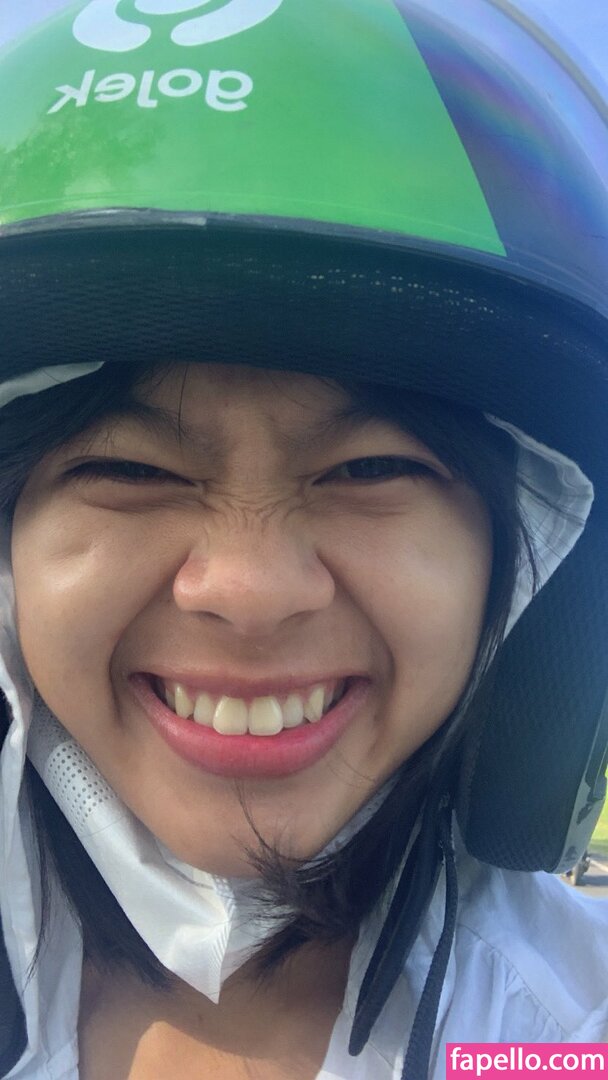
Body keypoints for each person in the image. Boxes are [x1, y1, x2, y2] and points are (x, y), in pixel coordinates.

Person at [0, 2, 607, 1078]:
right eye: (128, 471)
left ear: (526, 574)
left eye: (370, 470)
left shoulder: (570, 1027)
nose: (248, 588)